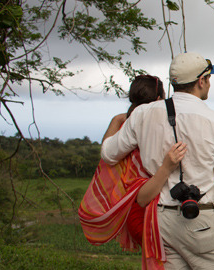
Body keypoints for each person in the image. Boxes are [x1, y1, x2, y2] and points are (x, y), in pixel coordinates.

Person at [101, 52, 214, 270]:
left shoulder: (141, 114)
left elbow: (108, 154)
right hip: (201, 221)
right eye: (208, 78)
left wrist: (117, 120)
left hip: (159, 221)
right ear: (201, 81)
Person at [79, 75, 185, 269]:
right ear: (160, 98)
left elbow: (107, 153)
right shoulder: (159, 126)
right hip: (152, 210)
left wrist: (116, 119)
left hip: (134, 212)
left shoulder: (126, 124)